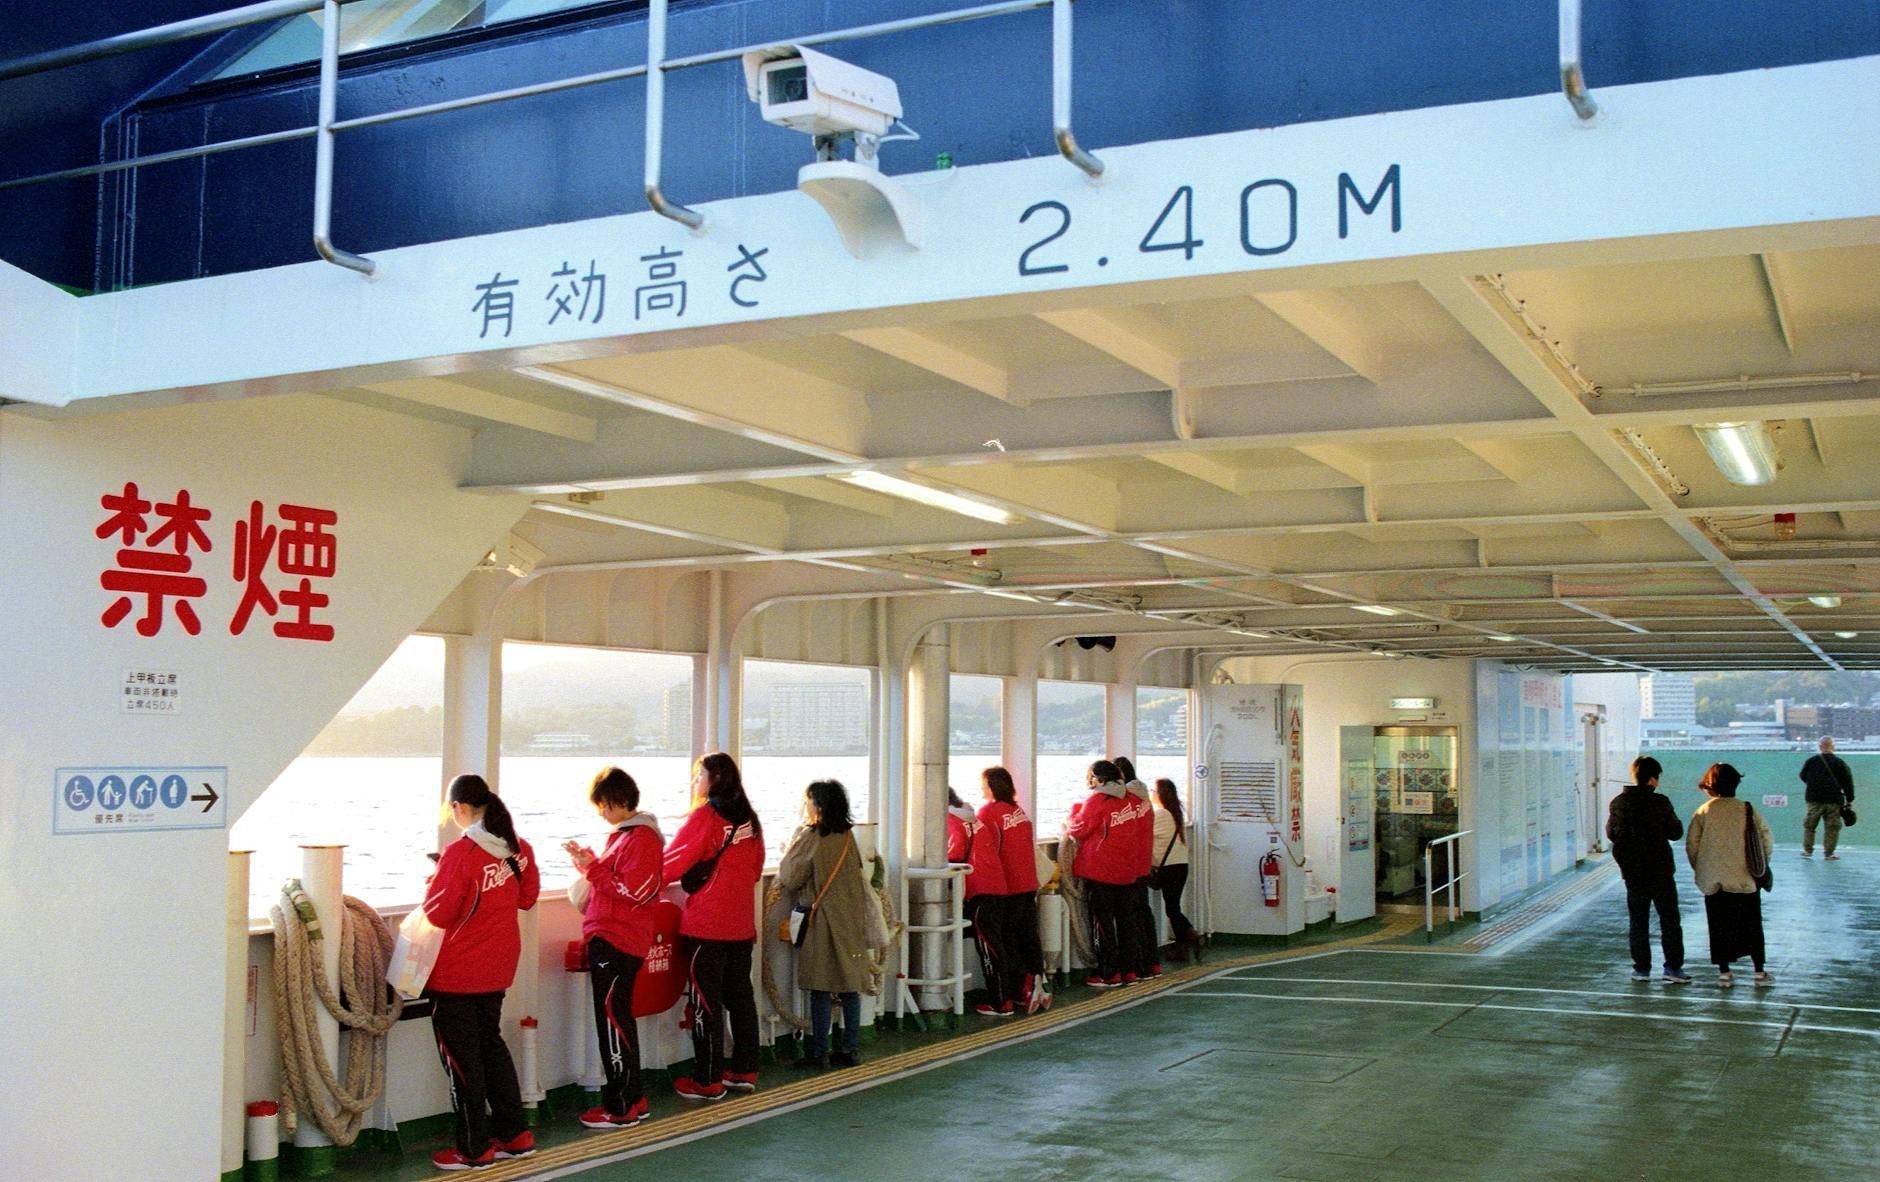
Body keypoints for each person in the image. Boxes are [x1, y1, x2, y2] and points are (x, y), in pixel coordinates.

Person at [422, 773, 541, 1171]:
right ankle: (515, 1134)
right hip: (498, 968)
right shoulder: (517, 848)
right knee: (491, 1048)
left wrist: (435, 880)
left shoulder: (460, 853)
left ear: (459, 808)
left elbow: (437, 912)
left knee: (463, 1061)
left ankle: (473, 1148)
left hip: (457, 973)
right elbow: (527, 898)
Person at [563, 767, 664, 1129]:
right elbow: (616, 880)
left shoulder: (641, 839)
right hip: (616, 937)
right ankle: (633, 1097)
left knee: (612, 1022)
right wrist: (590, 863)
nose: (601, 813)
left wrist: (594, 870)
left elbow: (632, 891)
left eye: (604, 806)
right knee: (619, 1018)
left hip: (617, 939)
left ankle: (620, 1106)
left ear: (618, 801)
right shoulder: (626, 837)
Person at [662, 752, 765, 1100]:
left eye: (698, 776)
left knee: (707, 1003)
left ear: (714, 780)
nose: (694, 783)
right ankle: (745, 1069)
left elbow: (671, 865)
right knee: (741, 998)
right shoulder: (750, 820)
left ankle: (707, 1079)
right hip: (740, 925)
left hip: (706, 925)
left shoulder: (705, 817)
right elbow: (755, 870)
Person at [779, 780, 873, 1066]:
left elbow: (790, 877)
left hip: (821, 921)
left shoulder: (812, 837)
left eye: (807, 800)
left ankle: (818, 1052)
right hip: (849, 920)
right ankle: (850, 1049)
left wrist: (788, 847)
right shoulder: (847, 836)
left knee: (819, 989)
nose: (805, 805)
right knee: (849, 988)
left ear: (817, 805)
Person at [1686, 762, 1775, 989]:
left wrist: (1702, 869)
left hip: (1714, 881)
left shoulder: (1703, 811)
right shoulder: (1747, 809)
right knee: (1752, 926)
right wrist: (1760, 867)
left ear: (1710, 786)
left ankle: (1724, 973)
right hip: (1745, 879)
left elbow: (1692, 846)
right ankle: (1759, 973)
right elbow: (1766, 839)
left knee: (1719, 927)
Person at [1604, 756, 1688, 984]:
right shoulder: (1660, 802)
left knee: (1638, 919)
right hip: (1660, 868)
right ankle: (1672, 968)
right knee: (1669, 919)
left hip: (1632, 870)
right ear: (1653, 779)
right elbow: (1676, 832)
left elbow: (1611, 833)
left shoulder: (1619, 802)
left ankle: (1641, 969)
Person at [1064, 759, 1148, 988]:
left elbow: (1079, 829)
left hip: (1100, 871)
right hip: (1127, 872)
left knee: (1103, 924)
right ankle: (1129, 971)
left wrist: (1072, 814)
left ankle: (1108, 973)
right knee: (1126, 923)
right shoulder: (1131, 800)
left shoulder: (1096, 801)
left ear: (1098, 779)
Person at [979, 766, 1050, 1013]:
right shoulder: (1017, 811)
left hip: (1007, 885)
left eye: (984, 784)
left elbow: (989, 850)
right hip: (1029, 883)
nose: (982, 788)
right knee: (1029, 936)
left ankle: (1021, 986)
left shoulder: (989, 813)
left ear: (992, 787)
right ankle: (1037, 983)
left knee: (1008, 939)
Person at [947, 787, 1013, 1016]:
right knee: (996, 944)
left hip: (980, 890)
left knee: (989, 947)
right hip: (998, 886)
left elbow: (954, 854)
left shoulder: (951, 821)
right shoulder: (974, 820)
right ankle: (1006, 996)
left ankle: (1000, 1001)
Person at [1112, 756, 1161, 978]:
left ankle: (1131, 966)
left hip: (1127, 867)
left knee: (1127, 918)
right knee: (1144, 913)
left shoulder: (1126, 802)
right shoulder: (1145, 802)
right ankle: (1151, 962)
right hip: (1143, 864)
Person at [1150, 778, 1200, 963]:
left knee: (1172, 909)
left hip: (1170, 868)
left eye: (1153, 791)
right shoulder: (1174, 813)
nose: (1151, 794)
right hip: (1180, 866)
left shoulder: (1161, 814)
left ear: (1160, 794)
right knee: (1173, 907)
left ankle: (1190, 936)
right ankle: (1183, 946)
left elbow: (1145, 833)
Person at [1798, 736, 1856, 860]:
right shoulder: (1840, 763)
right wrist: (1849, 799)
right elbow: (1848, 782)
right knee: (1832, 827)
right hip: (1834, 800)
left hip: (1814, 799)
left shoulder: (1811, 761)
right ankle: (1829, 853)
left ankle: (1807, 850)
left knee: (1810, 825)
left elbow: (1802, 775)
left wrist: (1813, 785)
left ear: (1820, 747)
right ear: (1833, 747)